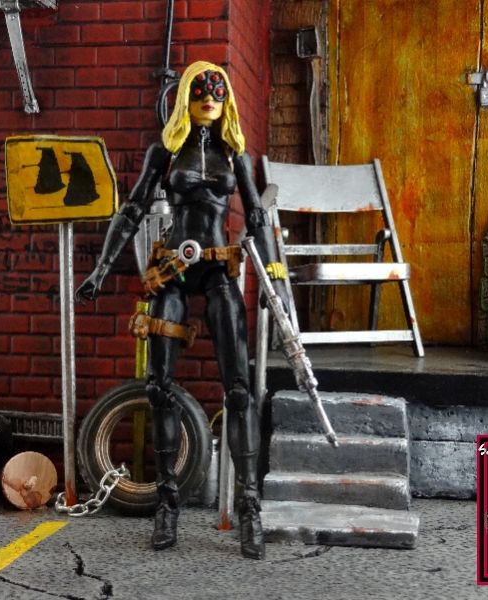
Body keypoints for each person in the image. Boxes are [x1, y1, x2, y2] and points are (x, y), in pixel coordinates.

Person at [75, 60, 289, 560]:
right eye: (200, 89)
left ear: (226, 98)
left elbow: (258, 218)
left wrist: (276, 282)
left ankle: (249, 507)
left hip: (217, 270)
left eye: (217, 89)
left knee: (239, 389)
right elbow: (132, 209)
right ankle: (167, 502)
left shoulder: (234, 154)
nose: (209, 96)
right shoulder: (165, 152)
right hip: (173, 268)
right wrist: (101, 269)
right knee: (159, 387)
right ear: (186, 96)